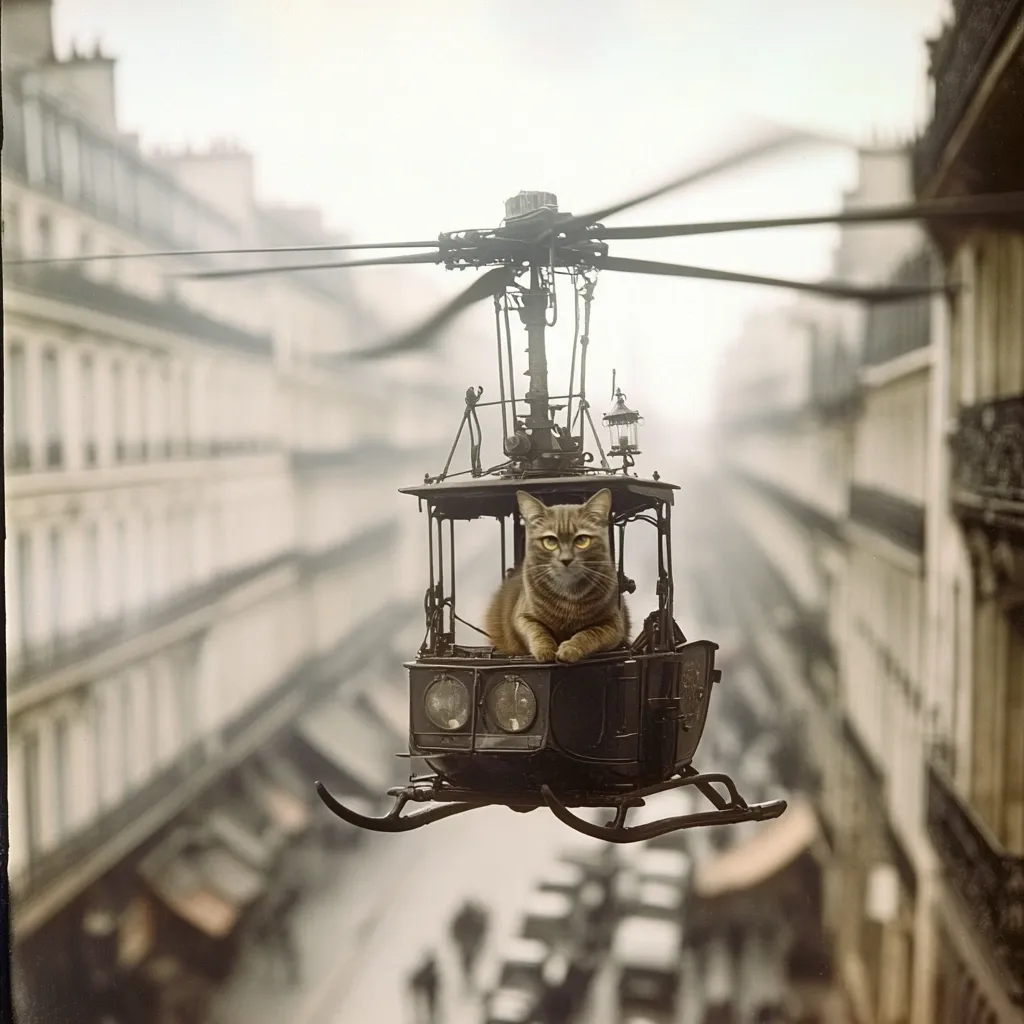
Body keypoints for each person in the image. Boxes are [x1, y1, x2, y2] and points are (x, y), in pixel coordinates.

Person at [449, 899, 490, 989]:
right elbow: (455, 930)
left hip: (469, 944)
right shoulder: (470, 919)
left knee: (469, 964)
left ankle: (468, 981)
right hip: (467, 944)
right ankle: (468, 981)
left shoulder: (471, 919)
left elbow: (454, 930)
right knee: (468, 964)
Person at [408, 951, 440, 1024]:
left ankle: (431, 1019)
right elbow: (414, 983)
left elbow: (435, 988)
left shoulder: (433, 975)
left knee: (428, 1009)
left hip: (429, 995)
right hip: (421, 993)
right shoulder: (422, 973)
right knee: (421, 1009)